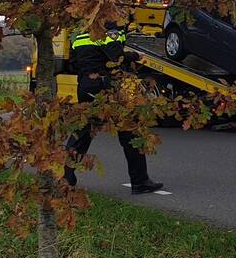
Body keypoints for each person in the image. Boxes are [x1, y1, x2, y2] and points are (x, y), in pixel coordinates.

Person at [64, 24, 165, 194]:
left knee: (81, 134)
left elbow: (73, 64)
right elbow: (116, 57)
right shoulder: (111, 31)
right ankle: (140, 182)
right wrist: (136, 56)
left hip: (86, 87)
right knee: (130, 132)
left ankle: (65, 179)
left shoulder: (80, 34)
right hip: (107, 87)